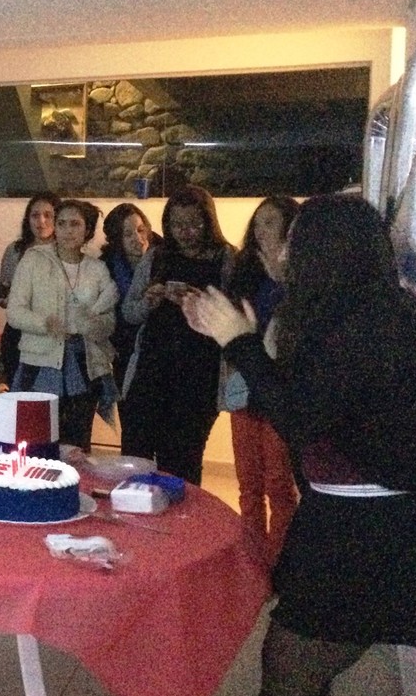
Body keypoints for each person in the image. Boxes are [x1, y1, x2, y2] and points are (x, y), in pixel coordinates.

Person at [182, 195, 416, 696]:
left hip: (362, 529)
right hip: (366, 520)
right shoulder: (384, 311)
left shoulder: (364, 324)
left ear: (327, 250)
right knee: (300, 670)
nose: (284, 252)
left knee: (291, 671)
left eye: (295, 242)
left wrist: (238, 343)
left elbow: (299, 415)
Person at [120, 185, 234, 484]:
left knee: (183, 462)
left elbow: (236, 321)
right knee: (137, 458)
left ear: (208, 222)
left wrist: (201, 303)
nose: (185, 232)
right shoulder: (157, 256)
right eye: (177, 224)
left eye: (194, 224)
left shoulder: (225, 258)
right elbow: (129, 312)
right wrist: (151, 299)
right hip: (151, 371)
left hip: (199, 376)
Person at [223, 197, 301, 567]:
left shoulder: (300, 276)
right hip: (245, 385)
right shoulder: (246, 271)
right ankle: (253, 561)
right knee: (248, 483)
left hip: (281, 387)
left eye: (269, 222)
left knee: (279, 483)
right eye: (258, 222)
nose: (260, 229)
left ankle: (281, 562)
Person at [6, 199, 117, 451]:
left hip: (85, 364)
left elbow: (109, 322)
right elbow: (14, 312)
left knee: (77, 444)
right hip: (39, 363)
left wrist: (90, 325)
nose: (67, 230)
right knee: (35, 443)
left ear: (88, 229)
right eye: (62, 223)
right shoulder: (34, 259)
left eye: (75, 224)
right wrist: (46, 323)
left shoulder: (97, 268)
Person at [99, 203, 159, 412]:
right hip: (124, 351)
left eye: (141, 230)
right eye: (128, 234)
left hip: (159, 352)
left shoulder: (163, 258)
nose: (138, 239)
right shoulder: (106, 267)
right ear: (117, 239)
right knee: (130, 413)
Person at [0, 192, 59, 385]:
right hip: (19, 331)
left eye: (48, 215)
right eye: (35, 215)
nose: (41, 221)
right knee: (19, 390)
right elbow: (3, 292)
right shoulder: (15, 250)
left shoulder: (65, 251)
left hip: (52, 331)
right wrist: (9, 298)